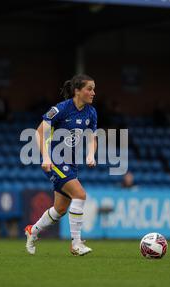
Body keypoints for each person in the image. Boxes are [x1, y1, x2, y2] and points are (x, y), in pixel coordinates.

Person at [24, 74, 98, 256]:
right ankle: (76, 244)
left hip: (72, 164)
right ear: (77, 91)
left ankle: (32, 231)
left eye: (94, 89)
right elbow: (39, 133)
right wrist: (46, 158)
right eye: (89, 89)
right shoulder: (61, 109)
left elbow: (92, 137)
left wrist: (90, 154)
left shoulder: (91, 112)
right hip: (56, 160)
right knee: (80, 194)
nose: (93, 93)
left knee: (60, 210)